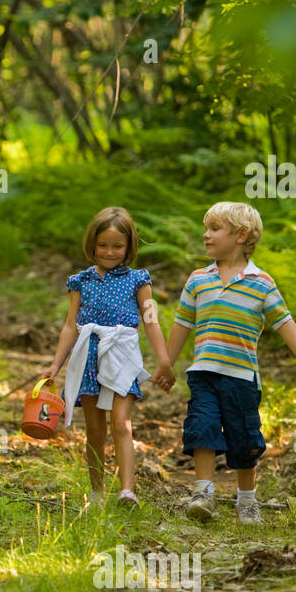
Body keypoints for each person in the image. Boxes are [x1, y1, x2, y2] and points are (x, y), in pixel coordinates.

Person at [165, 201, 296, 524]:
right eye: (206, 229)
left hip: (241, 377)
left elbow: (283, 321)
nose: (206, 235)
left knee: (244, 438)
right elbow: (182, 325)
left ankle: (246, 500)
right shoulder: (198, 280)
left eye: (214, 229)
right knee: (202, 427)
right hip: (203, 373)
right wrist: (166, 363)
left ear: (241, 235)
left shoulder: (261, 283)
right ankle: (204, 493)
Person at [40, 207, 174, 509]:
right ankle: (98, 490)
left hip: (123, 354)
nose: (110, 252)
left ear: (128, 247)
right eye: (103, 245)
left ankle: (128, 490)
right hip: (87, 355)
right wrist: (56, 364)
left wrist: (163, 360)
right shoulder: (81, 281)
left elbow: (151, 319)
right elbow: (69, 325)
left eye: (117, 246)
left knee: (121, 423)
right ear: (92, 244)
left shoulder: (139, 280)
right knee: (95, 429)